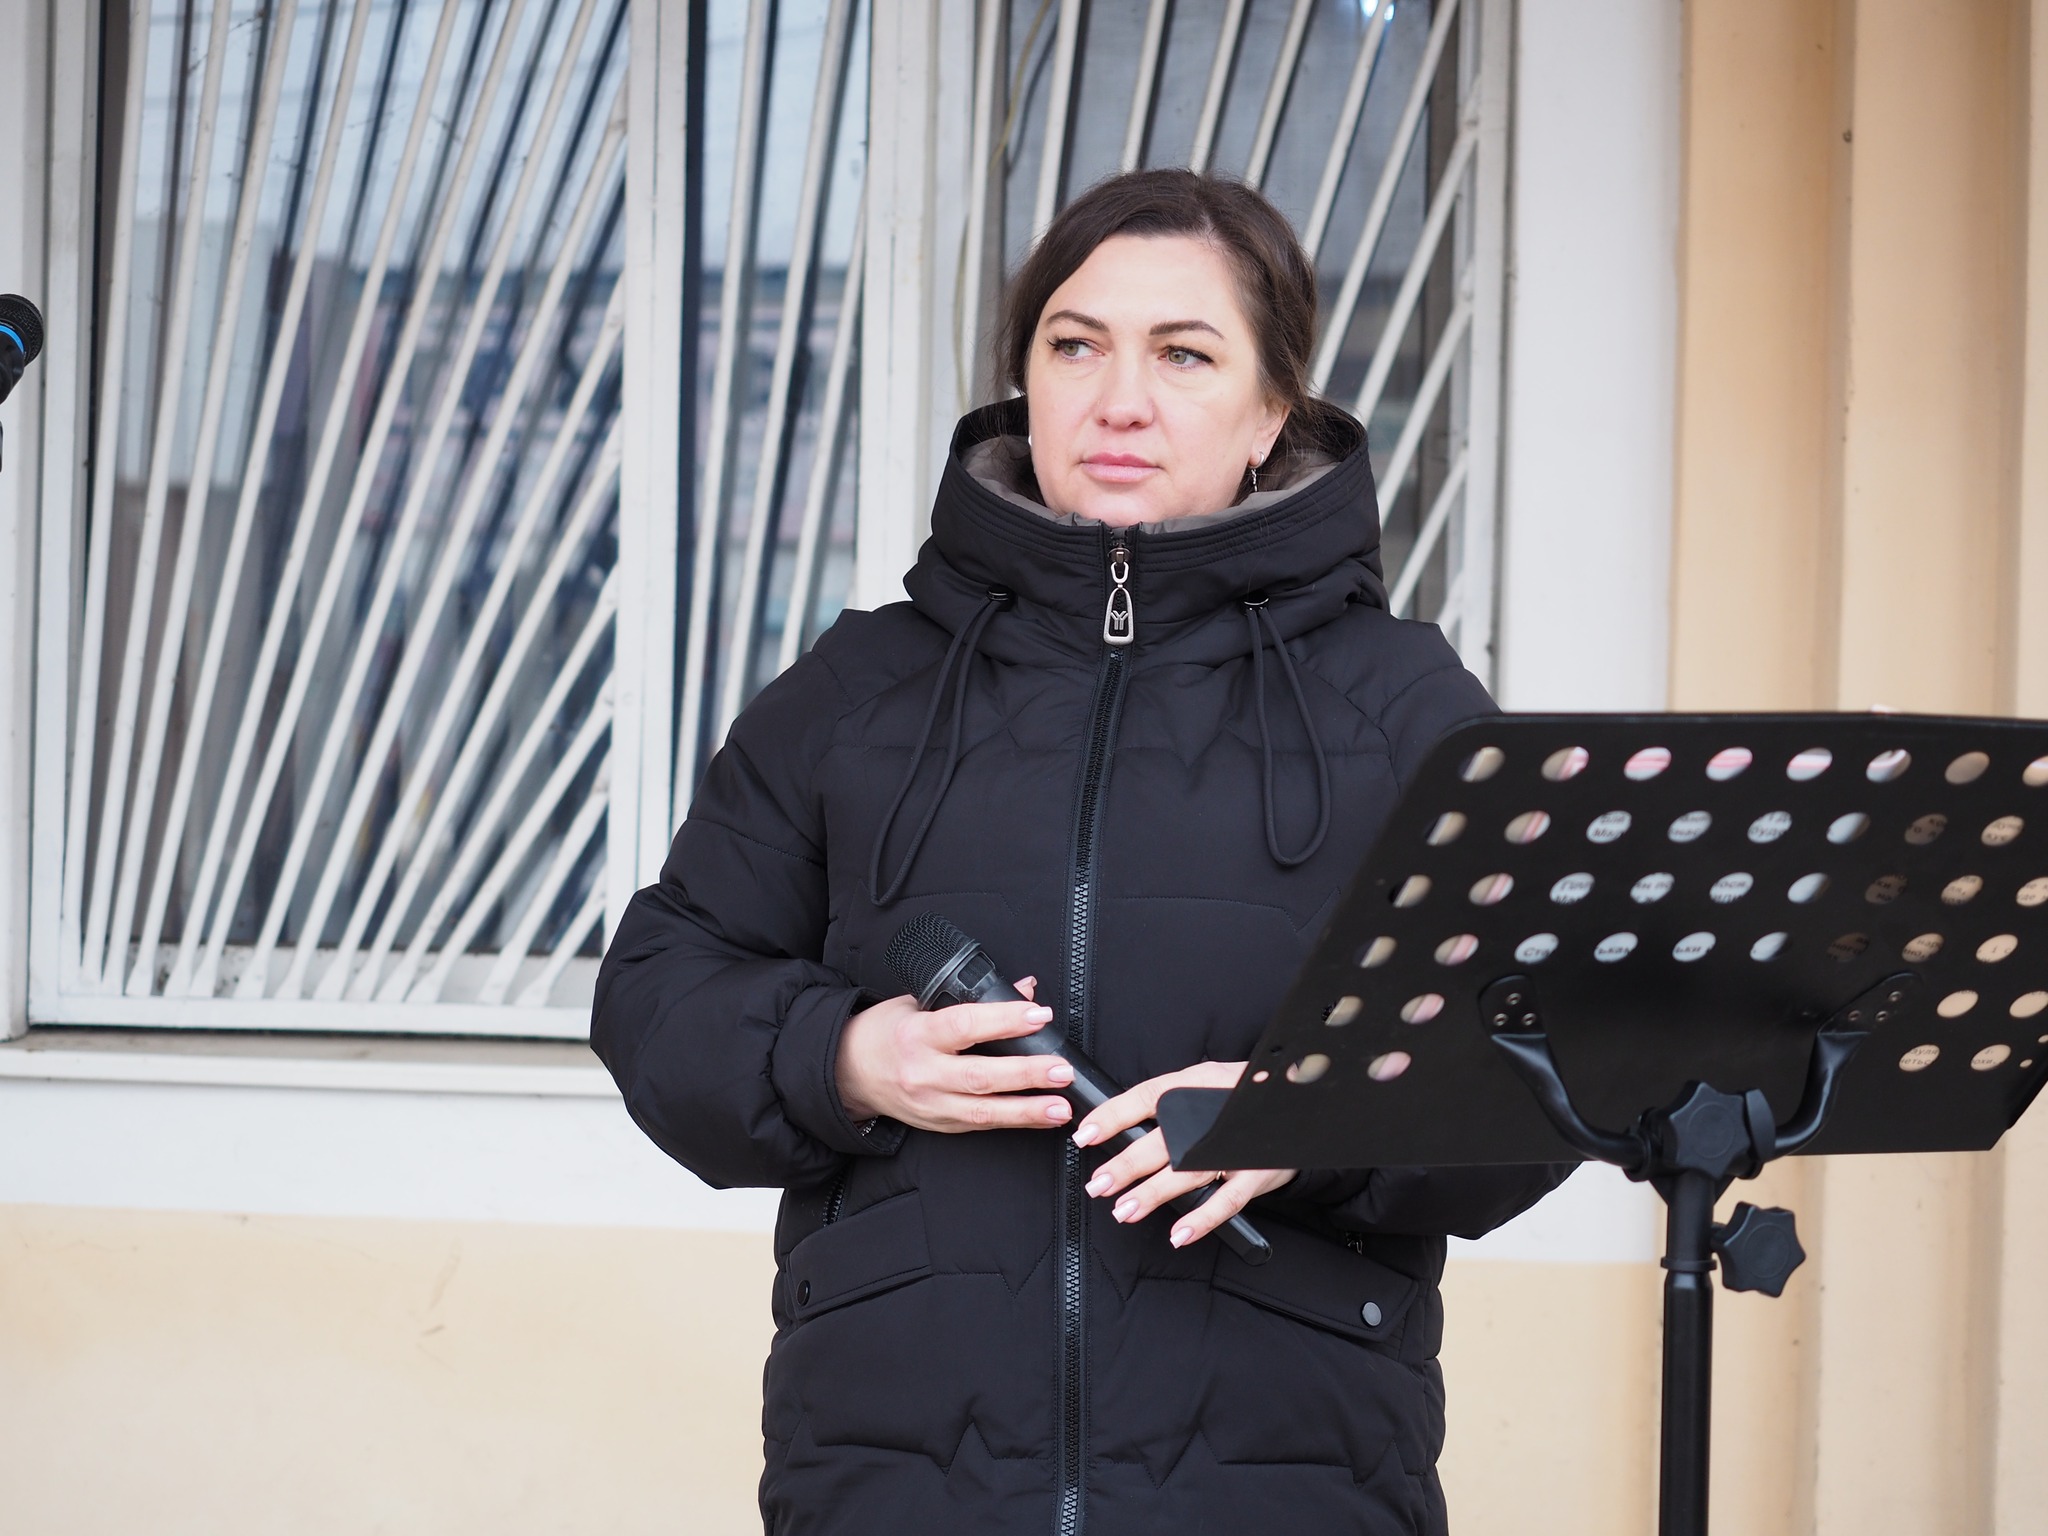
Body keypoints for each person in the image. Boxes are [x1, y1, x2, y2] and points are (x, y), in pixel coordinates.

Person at [593, 169, 1571, 1535]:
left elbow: (1545, 1052)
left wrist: (1314, 1112)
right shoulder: (860, 689)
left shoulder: (1402, 708)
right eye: (1075, 345)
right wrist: (846, 1058)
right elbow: (658, 989)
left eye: (1184, 354)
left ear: (1271, 414)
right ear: (1027, 382)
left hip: (1285, 1476)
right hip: (896, 1480)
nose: (1120, 399)